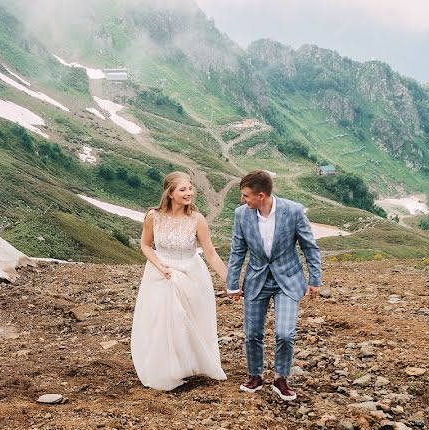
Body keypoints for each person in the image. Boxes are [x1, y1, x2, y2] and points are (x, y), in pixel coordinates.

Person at [226, 170, 321, 401]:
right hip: (256, 279)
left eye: (246, 195)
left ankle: (281, 378)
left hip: (287, 280)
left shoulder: (294, 211)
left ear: (261, 195)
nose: (243, 200)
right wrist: (232, 284)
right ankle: (255, 375)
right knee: (253, 333)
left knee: (285, 333)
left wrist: (315, 280)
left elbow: (310, 247)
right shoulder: (241, 215)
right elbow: (237, 251)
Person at [130, 171, 228, 391]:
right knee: (164, 320)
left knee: (188, 320)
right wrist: (159, 266)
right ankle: (167, 369)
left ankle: (189, 365)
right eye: (183, 189)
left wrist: (228, 279)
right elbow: (146, 245)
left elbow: (210, 253)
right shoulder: (153, 216)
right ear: (170, 193)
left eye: (190, 188)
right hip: (160, 273)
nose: (189, 193)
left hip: (191, 273)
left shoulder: (197, 219)